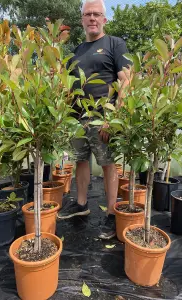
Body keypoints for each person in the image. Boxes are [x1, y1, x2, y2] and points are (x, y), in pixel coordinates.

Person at [58, 0, 130, 240]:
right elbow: (69, 88)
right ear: (82, 20)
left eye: (96, 14)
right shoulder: (76, 51)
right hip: (77, 119)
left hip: (102, 118)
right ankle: (81, 204)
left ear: (104, 20)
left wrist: (113, 117)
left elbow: (125, 81)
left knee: (108, 164)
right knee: (80, 161)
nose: (92, 18)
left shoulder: (115, 44)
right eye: (87, 14)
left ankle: (111, 213)